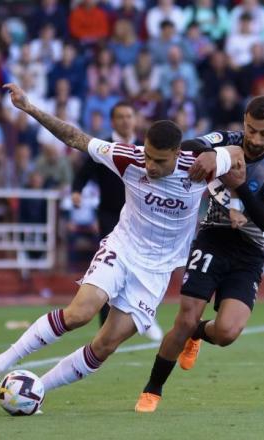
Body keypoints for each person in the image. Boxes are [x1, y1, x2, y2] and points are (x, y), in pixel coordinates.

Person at [0, 82, 242, 400]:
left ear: (178, 155)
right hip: (122, 248)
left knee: (105, 344)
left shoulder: (199, 167)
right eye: (148, 156)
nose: (150, 165)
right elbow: (75, 138)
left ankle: (37, 389)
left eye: (159, 161)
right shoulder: (129, 157)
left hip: (156, 271)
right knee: (79, 314)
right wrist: (30, 108)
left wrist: (219, 159)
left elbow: (237, 156)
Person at [135, 96, 264, 412]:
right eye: (251, 129)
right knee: (184, 317)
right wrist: (213, 156)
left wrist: (241, 186)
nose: (255, 139)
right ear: (244, 120)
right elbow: (193, 144)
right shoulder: (229, 140)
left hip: (249, 250)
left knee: (226, 333)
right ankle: (152, 390)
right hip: (213, 237)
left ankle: (199, 332)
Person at [71, 101, 164, 341]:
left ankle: (144, 313)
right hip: (110, 215)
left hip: (142, 217)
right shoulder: (105, 147)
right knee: (107, 269)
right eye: (120, 117)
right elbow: (83, 173)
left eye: (129, 116)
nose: (125, 121)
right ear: (112, 121)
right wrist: (77, 191)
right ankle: (105, 327)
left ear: (135, 120)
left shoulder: (147, 148)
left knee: (142, 266)